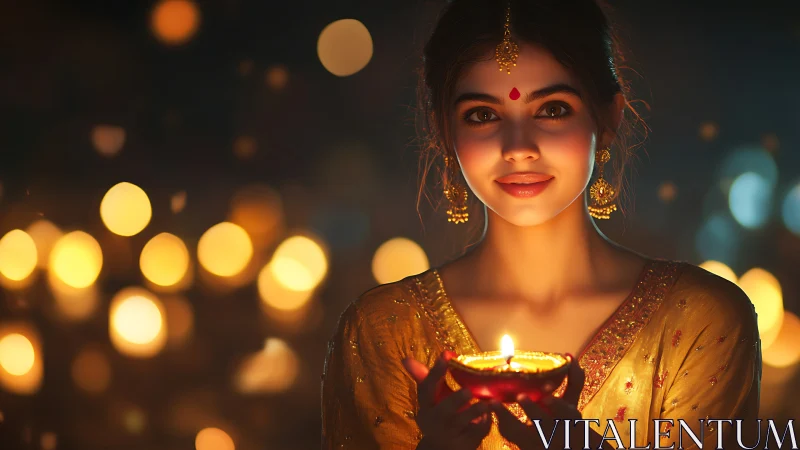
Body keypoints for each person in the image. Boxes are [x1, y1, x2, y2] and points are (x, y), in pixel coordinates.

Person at [321, 0, 761, 448]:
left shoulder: (701, 321)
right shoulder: (385, 333)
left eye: (552, 109)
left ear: (609, 117)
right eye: (483, 115)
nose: (518, 147)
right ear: (445, 132)